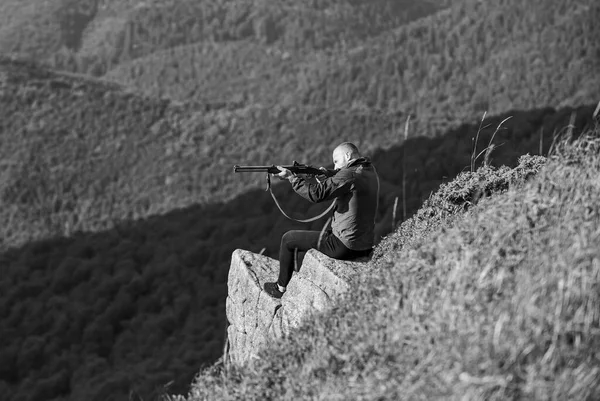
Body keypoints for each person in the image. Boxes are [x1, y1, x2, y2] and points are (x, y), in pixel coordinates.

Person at [263, 142, 379, 299]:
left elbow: (316, 194)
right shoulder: (367, 169)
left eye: (336, 161)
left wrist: (292, 178)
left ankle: (280, 288)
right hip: (364, 245)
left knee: (288, 239)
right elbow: (345, 176)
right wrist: (329, 174)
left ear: (347, 156)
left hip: (345, 245)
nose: (335, 166)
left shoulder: (349, 175)